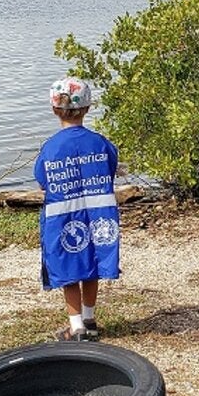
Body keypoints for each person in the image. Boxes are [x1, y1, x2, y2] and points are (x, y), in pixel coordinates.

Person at [34, 77, 119, 341]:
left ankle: (76, 326)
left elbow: (42, 179)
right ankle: (90, 318)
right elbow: (111, 167)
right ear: (88, 107)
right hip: (98, 213)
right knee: (92, 263)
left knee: (69, 266)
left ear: (54, 109)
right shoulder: (100, 142)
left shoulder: (51, 147)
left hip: (63, 216)